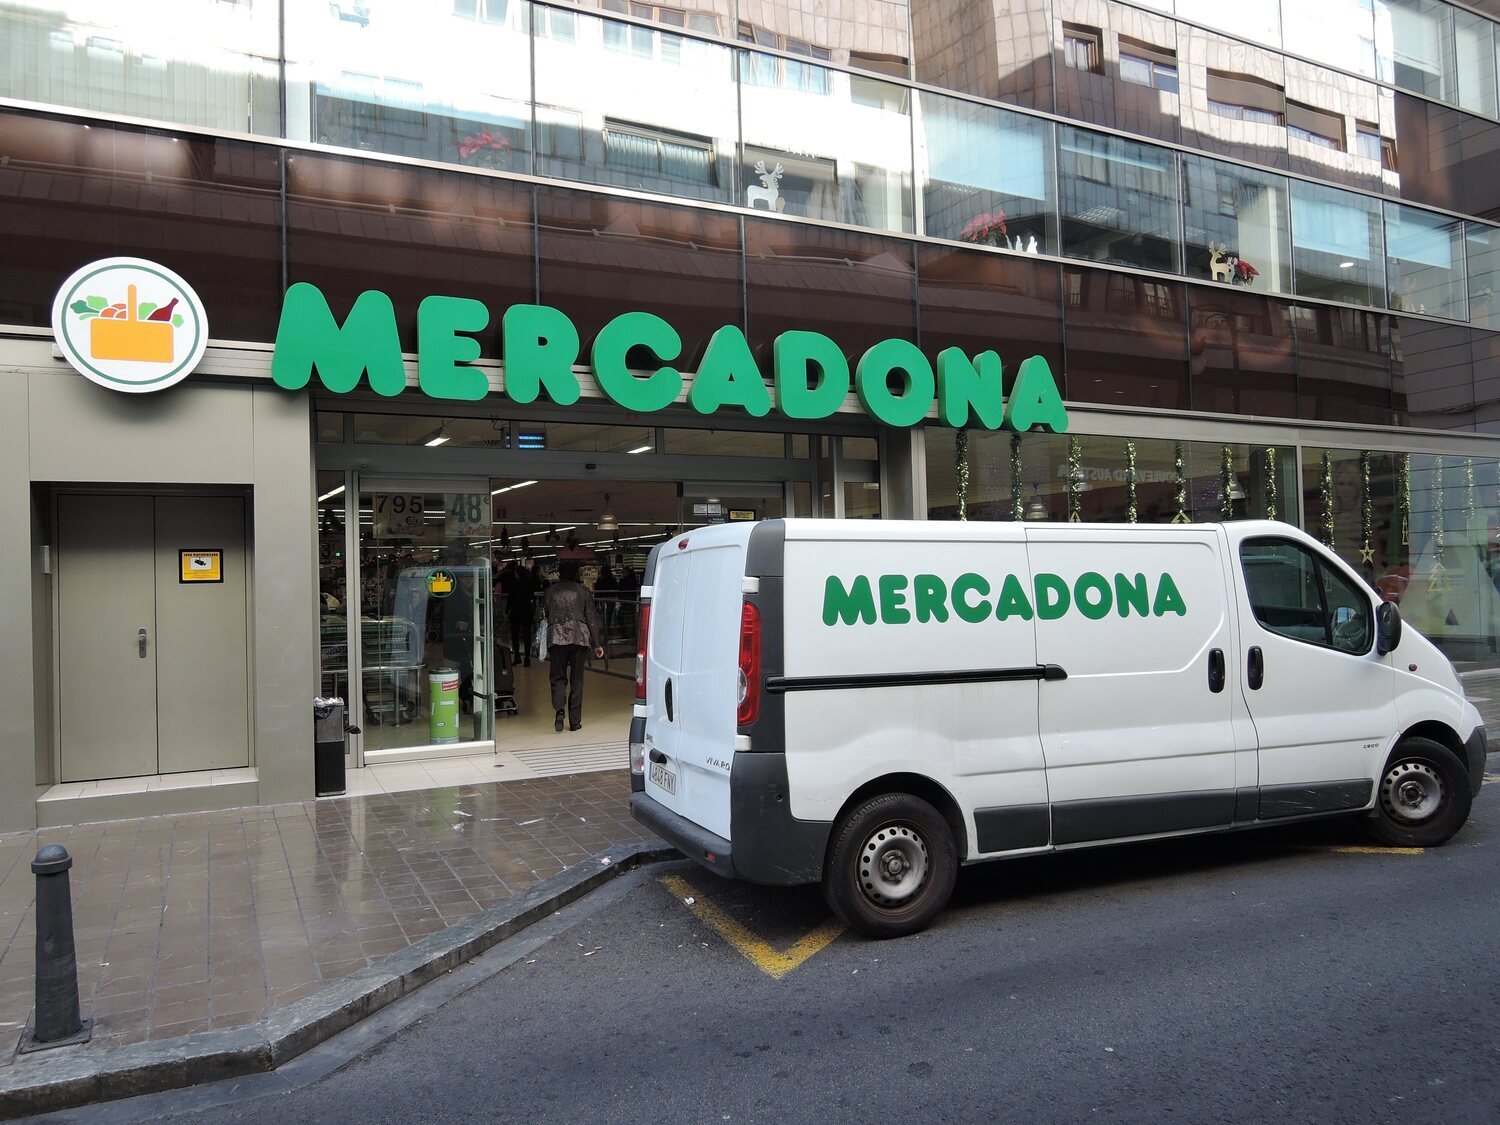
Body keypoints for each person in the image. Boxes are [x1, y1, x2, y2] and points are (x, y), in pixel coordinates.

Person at [543, 560, 604, 732]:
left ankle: (559, 711)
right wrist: (597, 643)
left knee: (557, 677)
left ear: (560, 573)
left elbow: (544, 614)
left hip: (556, 638)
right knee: (577, 680)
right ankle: (575, 721)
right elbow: (591, 619)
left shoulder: (550, 592)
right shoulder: (584, 591)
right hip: (580, 638)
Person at [507, 557, 538, 666]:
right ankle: (527, 658)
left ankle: (517, 656)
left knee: (515, 635)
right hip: (527, 611)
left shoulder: (514, 584)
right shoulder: (529, 583)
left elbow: (510, 599)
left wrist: (507, 611)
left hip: (516, 612)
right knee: (527, 635)